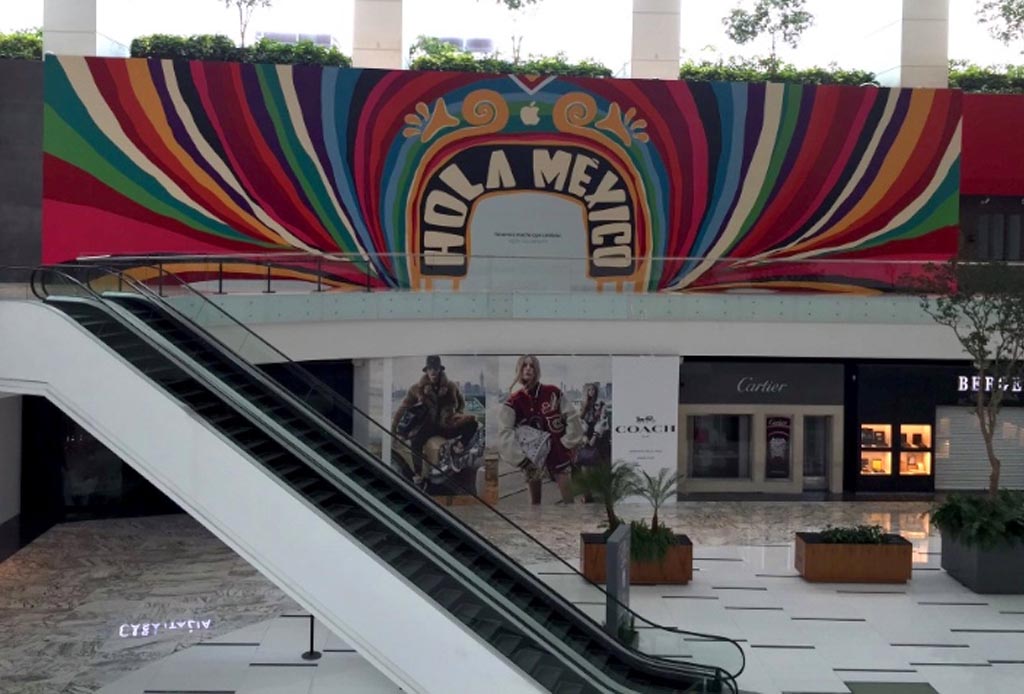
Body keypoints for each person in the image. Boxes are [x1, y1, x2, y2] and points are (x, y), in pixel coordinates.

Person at [497, 355, 583, 504]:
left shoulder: (552, 392)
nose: (528, 368)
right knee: (535, 504)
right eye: (524, 365)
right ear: (519, 369)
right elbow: (505, 432)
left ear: (537, 370)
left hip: (558, 450)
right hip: (531, 457)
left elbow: (572, 416)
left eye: (532, 366)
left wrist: (567, 442)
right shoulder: (513, 401)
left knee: (568, 501)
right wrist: (521, 460)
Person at [392, 355, 479, 482]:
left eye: (436, 368)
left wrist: (458, 413)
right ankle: (418, 473)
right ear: (426, 370)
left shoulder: (451, 386)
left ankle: (458, 448)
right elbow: (403, 408)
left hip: (447, 423)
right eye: (430, 368)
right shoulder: (417, 389)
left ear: (440, 370)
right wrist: (393, 429)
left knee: (473, 424)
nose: (433, 371)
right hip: (428, 425)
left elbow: (461, 402)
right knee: (416, 442)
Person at [577, 382, 610, 470]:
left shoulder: (602, 404)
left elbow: (603, 421)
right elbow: (580, 420)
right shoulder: (583, 404)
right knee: (585, 458)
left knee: (598, 459)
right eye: (589, 390)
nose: (591, 392)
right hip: (587, 432)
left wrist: (595, 436)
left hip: (599, 434)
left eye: (593, 390)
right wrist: (584, 435)